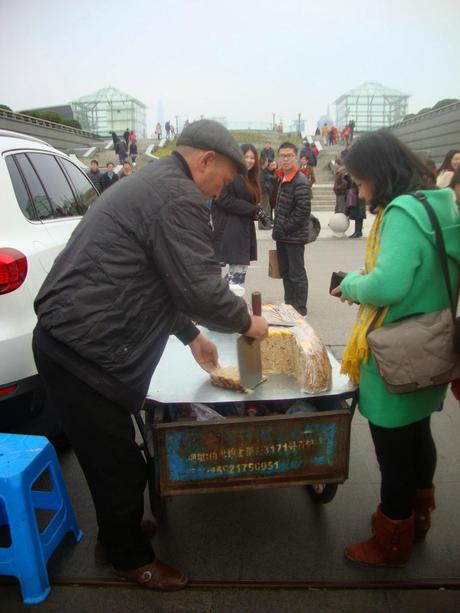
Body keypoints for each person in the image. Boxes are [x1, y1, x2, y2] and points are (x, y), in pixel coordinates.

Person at [32, 119, 268, 590]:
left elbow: (156, 277)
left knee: (108, 459)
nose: (218, 194)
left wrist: (190, 337)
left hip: (72, 340)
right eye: (221, 182)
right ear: (204, 161)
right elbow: (201, 289)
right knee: (121, 466)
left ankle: (115, 533)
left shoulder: (153, 182)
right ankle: (128, 557)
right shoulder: (177, 196)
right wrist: (249, 322)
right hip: (82, 350)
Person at [331, 129, 460, 567]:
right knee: (418, 434)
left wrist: (351, 283)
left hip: (397, 351)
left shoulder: (402, 212)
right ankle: (417, 516)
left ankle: (392, 536)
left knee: (393, 452)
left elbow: (387, 284)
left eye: (361, 179)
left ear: (379, 174)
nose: (359, 188)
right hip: (432, 343)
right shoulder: (437, 202)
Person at [211, 144, 261, 286]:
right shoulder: (229, 173)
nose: (249, 160)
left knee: (238, 273)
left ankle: (228, 302)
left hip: (242, 228)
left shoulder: (250, 178)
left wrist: (256, 213)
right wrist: (252, 209)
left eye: (252, 157)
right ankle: (226, 302)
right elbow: (222, 198)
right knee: (235, 277)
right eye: (246, 157)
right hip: (228, 228)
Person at [272, 142, 311, 316]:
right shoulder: (282, 178)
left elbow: (303, 210)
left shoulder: (300, 180)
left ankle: (300, 308)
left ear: (295, 157)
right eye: (282, 155)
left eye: (289, 155)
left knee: (297, 273)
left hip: (293, 236)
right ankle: (290, 304)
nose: (285, 159)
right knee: (286, 273)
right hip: (282, 236)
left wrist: (286, 227)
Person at [259, 158, 275, 229]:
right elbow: (262, 182)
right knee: (263, 209)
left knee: (267, 208)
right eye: (266, 162)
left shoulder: (263, 171)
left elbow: (269, 177)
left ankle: (266, 223)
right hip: (264, 193)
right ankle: (261, 225)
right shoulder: (260, 171)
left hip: (266, 192)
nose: (267, 163)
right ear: (264, 162)